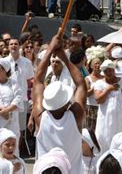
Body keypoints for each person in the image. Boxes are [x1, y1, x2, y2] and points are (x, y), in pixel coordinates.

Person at [33, 34, 87, 174]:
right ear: (66, 102)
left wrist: (51, 48)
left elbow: (38, 80)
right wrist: (63, 56)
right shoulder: (76, 115)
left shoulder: (40, 117)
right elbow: (81, 84)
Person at [94, 59, 122, 153]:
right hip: (105, 118)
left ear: (114, 70)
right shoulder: (99, 83)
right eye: (106, 71)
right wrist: (108, 89)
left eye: (110, 70)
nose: (109, 72)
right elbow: (98, 99)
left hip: (120, 118)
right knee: (104, 139)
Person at [84, 46, 105, 132]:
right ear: (91, 65)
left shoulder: (104, 77)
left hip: (102, 108)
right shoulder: (87, 78)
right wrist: (95, 88)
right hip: (91, 108)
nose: (97, 65)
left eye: (99, 63)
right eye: (95, 63)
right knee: (90, 131)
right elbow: (86, 94)